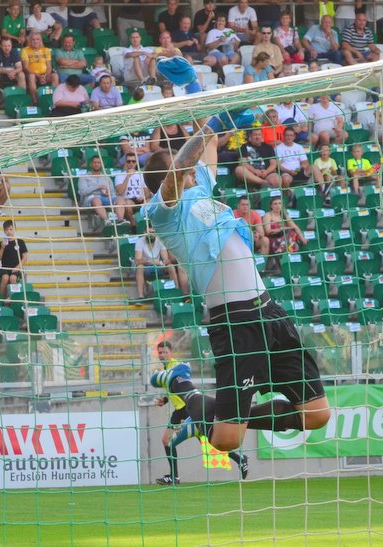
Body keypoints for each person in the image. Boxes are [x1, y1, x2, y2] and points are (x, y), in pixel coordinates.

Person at [144, 58, 329, 452]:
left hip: (269, 310)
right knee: (227, 441)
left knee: (317, 415)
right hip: (234, 323)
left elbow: (207, 144)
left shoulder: (198, 188)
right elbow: (180, 168)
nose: (194, 172)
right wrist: (213, 124)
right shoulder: (163, 212)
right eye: (186, 170)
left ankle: (217, 412)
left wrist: (194, 87)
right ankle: (185, 389)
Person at [152, 341, 248, 485]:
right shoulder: (165, 370)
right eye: (160, 353)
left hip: (187, 409)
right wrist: (165, 400)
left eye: (165, 352)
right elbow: (175, 390)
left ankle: (174, 477)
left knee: (171, 440)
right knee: (207, 439)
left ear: (171, 352)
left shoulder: (177, 366)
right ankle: (239, 459)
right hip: (180, 411)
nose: (162, 355)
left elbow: (185, 386)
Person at [134, 227, 179, 300]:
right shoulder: (140, 241)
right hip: (146, 267)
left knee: (171, 266)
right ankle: (140, 296)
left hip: (158, 266)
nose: (151, 235)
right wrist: (150, 261)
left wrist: (163, 262)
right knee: (139, 267)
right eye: (149, 232)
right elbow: (137, 261)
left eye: (153, 232)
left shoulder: (160, 240)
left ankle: (176, 291)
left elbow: (165, 259)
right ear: (144, 233)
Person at [78, 155, 123, 225]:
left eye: (98, 163)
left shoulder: (106, 177)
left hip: (106, 198)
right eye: (94, 162)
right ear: (91, 164)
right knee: (96, 200)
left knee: (120, 199)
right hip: (91, 199)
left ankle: (121, 220)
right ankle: (107, 221)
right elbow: (83, 192)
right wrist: (98, 187)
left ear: (101, 164)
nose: (96, 164)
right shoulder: (84, 177)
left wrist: (108, 193)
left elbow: (113, 192)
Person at [21, 31, 59, 106]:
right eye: (33, 39)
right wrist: (38, 76)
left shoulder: (46, 50)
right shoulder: (25, 50)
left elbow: (49, 66)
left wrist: (45, 75)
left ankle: (53, 99)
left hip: (45, 74)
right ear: (30, 40)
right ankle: (35, 101)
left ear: (40, 40)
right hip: (32, 74)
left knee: (55, 76)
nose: (35, 41)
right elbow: (26, 67)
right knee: (31, 76)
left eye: (37, 39)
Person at [0, 38, 25, 111]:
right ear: (1, 46)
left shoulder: (14, 52)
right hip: (1, 76)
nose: (7, 48)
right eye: (5, 46)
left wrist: (13, 72)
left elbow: (20, 67)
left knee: (21, 75)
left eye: (9, 46)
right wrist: (8, 72)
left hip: (13, 75)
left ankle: (22, 101)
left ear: (11, 46)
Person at [0, 219, 28, 297]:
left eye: (11, 229)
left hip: (17, 268)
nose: (9, 232)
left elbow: (25, 257)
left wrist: (17, 267)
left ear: (14, 229)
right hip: (5, 268)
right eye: (7, 230)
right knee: (5, 278)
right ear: (4, 231)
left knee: (13, 278)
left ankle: (14, 298)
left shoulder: (20, 242)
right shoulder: (1, 243)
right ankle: (1, 298)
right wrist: (2, 247)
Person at [115, 157, 149, 229]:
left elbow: (147, 193)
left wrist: (143, 197)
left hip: (141, 199)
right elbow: (120, 192)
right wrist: (128, 176)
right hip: (128, 199)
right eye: (128, 161)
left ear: (136, 163)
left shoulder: (141, 175)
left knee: (151, 202)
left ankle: (149, 225)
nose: (131, 163)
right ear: (125, 162)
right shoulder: (119, 176)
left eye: (133, 161)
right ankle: (133, 224)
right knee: (127, 204)